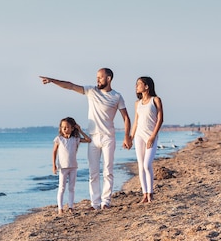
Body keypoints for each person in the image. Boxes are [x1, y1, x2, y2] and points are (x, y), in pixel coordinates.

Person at [40, 68, 132, 210]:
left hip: (108, 137)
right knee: (93, 172)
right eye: (97, 77)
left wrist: (127, 136)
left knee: (108, 169)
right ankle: (95, 203)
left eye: (100, 77)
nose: (97, 80)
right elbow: (70, 86)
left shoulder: (117, 96)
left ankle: (105, 202)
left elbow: (126, 117)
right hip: (93, 138)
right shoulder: (91, 91)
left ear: (108, 79)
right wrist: (52, 81)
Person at [130, 76, 164, 203]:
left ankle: (151, 193)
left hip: (151, 135)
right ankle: (145, 195)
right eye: (136, 84)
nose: (136, 86)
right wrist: (130, 137)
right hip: (139, 135)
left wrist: (153, 136)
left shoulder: (155, 100)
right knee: (140, 165)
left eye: (139, 84)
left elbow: (160, 119)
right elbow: (136, 122)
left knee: (146, 164)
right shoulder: (137, 103)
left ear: (146, 86)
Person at [52, 117, 91, 214]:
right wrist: (54, 165)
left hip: (73, 166)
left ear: (72, 128)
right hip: (63, 167)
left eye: (67, 127)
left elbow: (88, 140)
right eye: (63, 127)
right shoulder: (59, 139)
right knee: (61, 188)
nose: (65, 129)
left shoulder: (75, 139)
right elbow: (54, 152)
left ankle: (70, 207)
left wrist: (80, 130)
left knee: (71, 188)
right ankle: (60, 208)